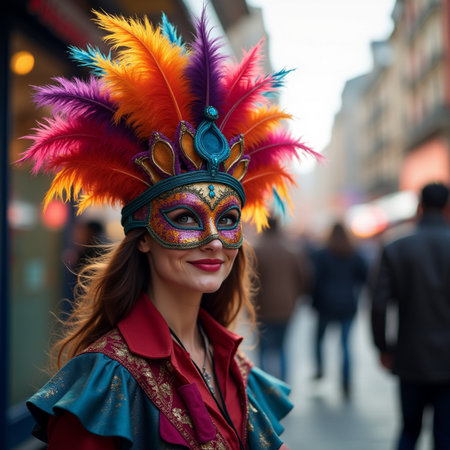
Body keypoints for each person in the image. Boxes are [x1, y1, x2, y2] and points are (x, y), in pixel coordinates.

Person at [19, 9, 320, 449]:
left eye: (230, 220)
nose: (215, 239)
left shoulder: (236, 366)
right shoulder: (106, 384)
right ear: (141, 239)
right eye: (184, 218)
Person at [370, 182, 450, 450]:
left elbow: (379, 303)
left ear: (419, 206)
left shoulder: (397, 247)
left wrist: (383, 346)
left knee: (409, 431)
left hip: (410, 356)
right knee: (445, 436)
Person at [310, 221, 368, 399]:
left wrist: (314, 300)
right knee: (345, 345)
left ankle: (320, 370)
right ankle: (346, 381)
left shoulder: (322, 254)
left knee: (318, 340)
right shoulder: (354, 253)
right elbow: (364, 278)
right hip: (347, 304)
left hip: (325, 304)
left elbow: (315, 280)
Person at [253, 216, 310, 381]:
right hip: (286, 307)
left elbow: (249, 280)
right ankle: (283, 384)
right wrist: (294, 298)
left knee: (263, 349)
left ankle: (265, 385)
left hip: (261, 307)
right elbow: (303, 278)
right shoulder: (292, 249)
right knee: (283, 347)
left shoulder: (257, 249)